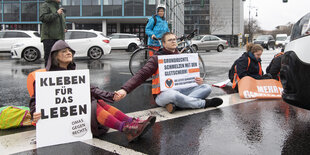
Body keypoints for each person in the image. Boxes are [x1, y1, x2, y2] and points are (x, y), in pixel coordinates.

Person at [29, 40, 156, 142]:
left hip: (84, 120)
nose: (69, 53)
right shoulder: (45, 78)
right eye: (64, 51)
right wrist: (35, 112)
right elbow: (35, 100)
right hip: (64, 124)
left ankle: (130, 122)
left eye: (70, 51)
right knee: (92, 104)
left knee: (97, 100)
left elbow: (92, 90)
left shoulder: (74, 75)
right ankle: (126, 128)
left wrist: (112, 96)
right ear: (55, 56)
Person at [114, 32, 223, 113]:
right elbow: (141, 75)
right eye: (170, 40)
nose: (174, 41)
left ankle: (180, 105)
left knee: (206, 88)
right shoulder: (156, 58)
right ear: (163, 43)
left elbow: (190, 77)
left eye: (174, 39)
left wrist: (198, 81)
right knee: (173, 94)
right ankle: (203, 104)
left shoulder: (182, 57)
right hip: (163, 94)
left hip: (183, 91)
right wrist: (125, 89)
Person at [40, 0, 66, 67]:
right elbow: (43, 18)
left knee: (59, 60)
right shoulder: (46, 5)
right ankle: (49, 75)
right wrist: (56, 14)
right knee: (50, 59)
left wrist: (64, 28)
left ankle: (58, 75)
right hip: (49, 38)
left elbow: (60, 22)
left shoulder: (58, 7)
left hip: (60, 38)